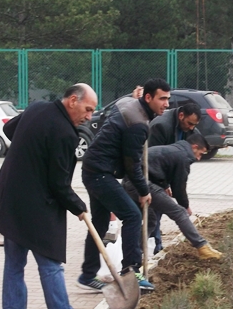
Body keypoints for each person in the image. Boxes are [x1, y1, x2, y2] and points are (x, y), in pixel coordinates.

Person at [0, 84, 97, 309]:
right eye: (87, 109)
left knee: (14, 262)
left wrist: (30, 149)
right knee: (51, 263)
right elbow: (59, 184)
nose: (89, 116)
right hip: (37, 206)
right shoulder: (65, 134)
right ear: (72, 101)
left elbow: (9, 128)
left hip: (11, 199)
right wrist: (79, 207)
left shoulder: (37, 109)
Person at [78, 78, 171, 293]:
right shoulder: (138, 124)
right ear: (148, 98)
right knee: (132, 216)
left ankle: (87, 274)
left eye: (168, 99)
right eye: (162, 99)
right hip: (101, 174)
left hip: (93, 169)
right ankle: (131, 271)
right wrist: (143, 190)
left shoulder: (129, 105)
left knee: (100, 224)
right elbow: (132, 163)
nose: (166, 104)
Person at [123, 134, 223, 260]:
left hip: (130, 181)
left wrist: (164, 185)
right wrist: (185, 206)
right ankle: (203, 247)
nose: (198, 158)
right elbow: (179, 188)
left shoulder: (175, 150)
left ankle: (135, 254)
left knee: (151, 219)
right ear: (194, 146)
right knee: (180, 213)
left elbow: (159, 166)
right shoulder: (183, 157)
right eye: (200, 154)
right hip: (140, 183)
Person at [148, 103, 203, 253]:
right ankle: (153, 248)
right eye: (189, 123)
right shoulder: (161, 126)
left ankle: (152, 246)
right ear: (181, 116)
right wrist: (165, 185)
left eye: (194, 125)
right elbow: (153, 158)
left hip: (166, 173)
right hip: (149, 175)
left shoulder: (190, 130)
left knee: (157, 212)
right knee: (155, 212)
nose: (192, 128)